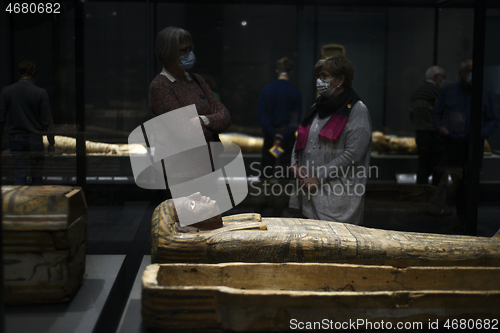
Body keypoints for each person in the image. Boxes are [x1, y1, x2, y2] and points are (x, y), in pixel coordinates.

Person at [289, 56, 372, 225]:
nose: (319, 81)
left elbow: (353, 154)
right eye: (318, 76)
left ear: (341, 79)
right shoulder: (316, 107)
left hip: (335, 197)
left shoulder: (357, 110)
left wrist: (318, 177)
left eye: (324, 76)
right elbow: (301, 138)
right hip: (308, 192)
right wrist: (295, 164)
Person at [433, 59, 499, 229]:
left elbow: (493, 119)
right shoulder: (449, 91)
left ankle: (470, 216)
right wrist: (441, 128)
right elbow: (437, 113)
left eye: (474, 71)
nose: (471, 75)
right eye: (468, 71)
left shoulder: (484, 94)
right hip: (453, 143)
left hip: (474, 144)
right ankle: (460, 215)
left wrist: (481, 134)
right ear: (461, 73)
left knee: (472, 180)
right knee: (456, 181)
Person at [149, 26, 231, 143]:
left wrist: (202, 120)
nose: (189, 53)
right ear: (169, 52)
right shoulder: (160, 86)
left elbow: (225, 117)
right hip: (178, 160)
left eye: (190, 48)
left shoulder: (197, 80)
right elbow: (187, 134)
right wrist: (214, 127)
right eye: (184, 50)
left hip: (209, 158)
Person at [0, 60, 55, 185]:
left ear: (19, 73)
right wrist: (51, 143)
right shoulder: (41, 93)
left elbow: (1, 120)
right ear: (34, 73)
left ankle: (18, 204)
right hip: (35, 139)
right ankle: (37, 204)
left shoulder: (7, 92)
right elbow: (48, 121)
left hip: (16, 139)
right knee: (37, 176)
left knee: (20, 174)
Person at [257, 57, 302, 179]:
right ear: (291, 72)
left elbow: (262, 115)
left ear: (277, 70)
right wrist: (284, 135)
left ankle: (263, 198)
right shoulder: (295, 92)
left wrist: (273, 134)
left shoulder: (267, 90)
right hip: (287, 139)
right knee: (287, 175)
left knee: (266, 173)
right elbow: (295, 120)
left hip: (270, 137)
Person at [410, 65, 446, 186]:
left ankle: (421, 196)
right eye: (443, 77)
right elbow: (441, 112)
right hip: (434, 134)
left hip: (420, 133)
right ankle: (435, 197)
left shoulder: (416, 91)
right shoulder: (436, 91)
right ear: (436, 77)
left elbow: (412, 114)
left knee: (423, 166)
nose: (443, 80)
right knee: (438, 167)